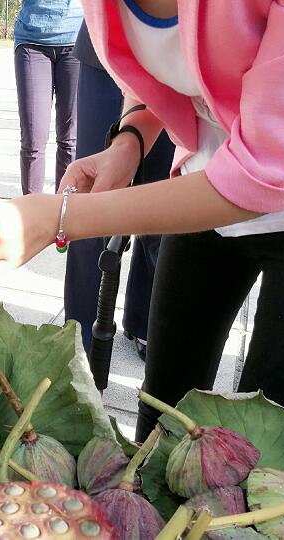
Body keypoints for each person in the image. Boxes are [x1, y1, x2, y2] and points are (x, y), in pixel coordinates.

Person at [0, 0, 284, 443]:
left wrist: (59, 217)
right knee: (162, 416)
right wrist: (129, 140)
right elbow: (159, 70)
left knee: (267, 450)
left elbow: (263, 173)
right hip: (203, 182)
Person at [65, 21, 174, 359]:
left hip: (183, 59)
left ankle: (145, 320)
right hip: (111, 49)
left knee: (160, 204)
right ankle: (78, 341)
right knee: (89, 201)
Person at [13, 0, 83, 194]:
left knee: (70, 139)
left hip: (76, 39)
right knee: (33, 140)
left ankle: (64, 209)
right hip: (31, 41)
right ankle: (30, 213)